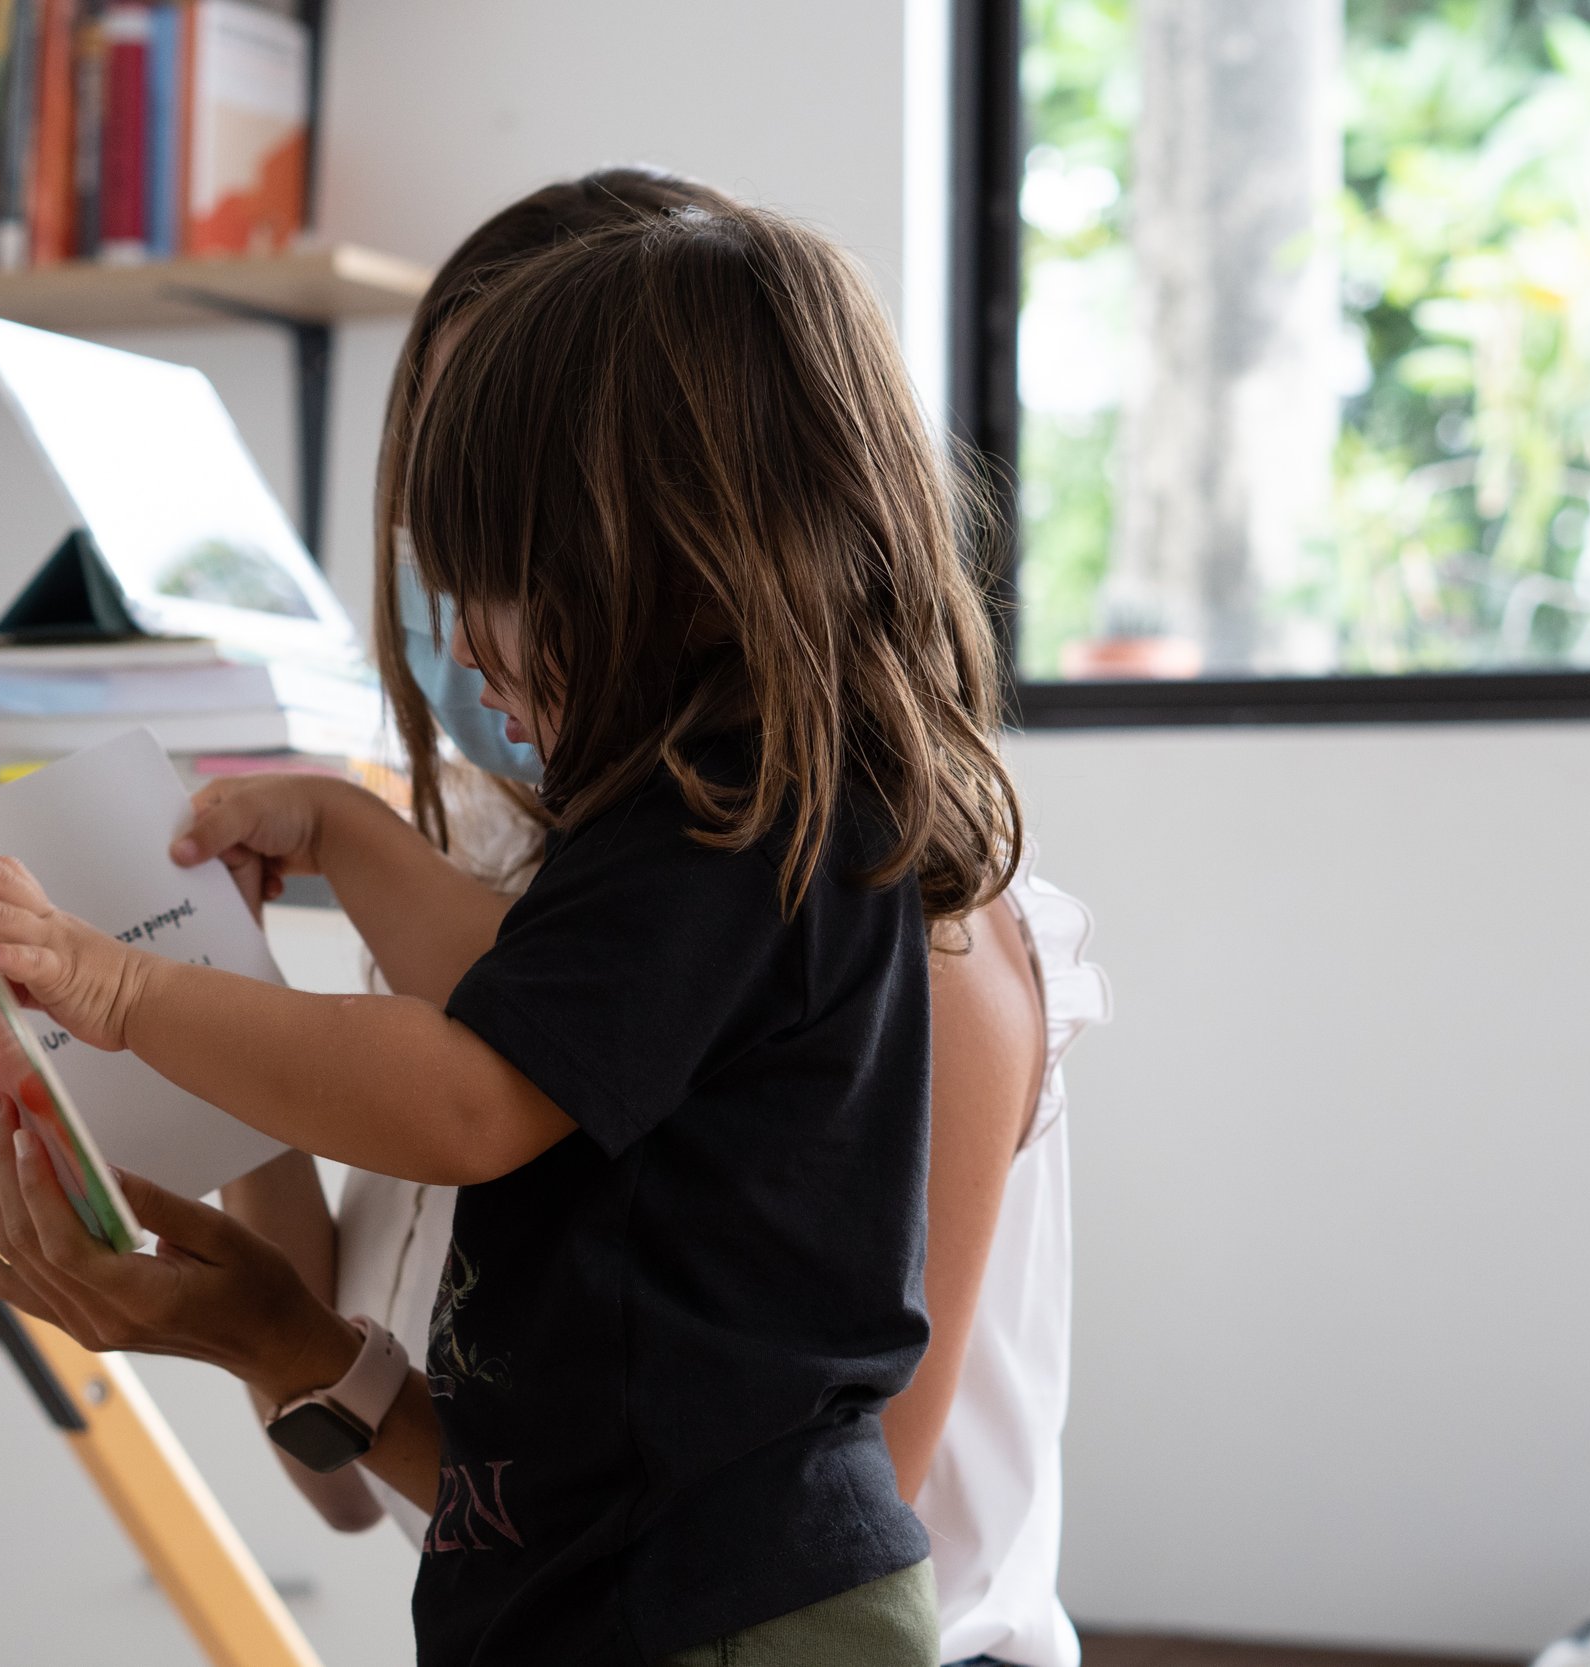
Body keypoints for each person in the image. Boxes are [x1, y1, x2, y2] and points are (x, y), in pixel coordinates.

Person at [0, 200, 1023, 1665]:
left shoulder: (726, 817)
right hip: (636, 1588)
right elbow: (519, 994)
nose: (465, 632)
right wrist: (347, 834)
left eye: (497, 573)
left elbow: (461, 1096)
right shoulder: (732, 815)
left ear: (670, 559)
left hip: (716, 1618)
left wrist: (117, 985)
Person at [228, 169, 1112, 1667]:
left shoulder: (888, 919)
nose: (466, 609)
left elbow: (783, 1538)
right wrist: (228, 1037)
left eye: (510, 530)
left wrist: (141, 1005)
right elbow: (348, 1490)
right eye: (449, 519)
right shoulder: (525, 892)